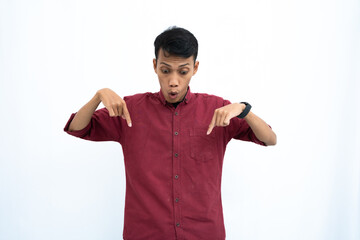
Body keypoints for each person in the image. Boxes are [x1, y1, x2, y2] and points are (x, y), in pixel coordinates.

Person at [64, 26, 276, 240]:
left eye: (183, 71)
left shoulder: (217, 110)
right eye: (166, 70)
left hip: (203, 234)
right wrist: (99, 95)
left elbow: (269, 139)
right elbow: (77, 127)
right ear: (155, 66)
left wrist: (243, 109)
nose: (173, 81)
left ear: (195, 68)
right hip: (146, 234)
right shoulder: (130, 109)